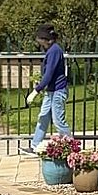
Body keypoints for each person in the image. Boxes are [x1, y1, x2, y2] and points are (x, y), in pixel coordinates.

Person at [27, 24, 70, 152]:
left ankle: (72, 148)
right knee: (43, 117)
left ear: (47, 39)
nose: (40, 43)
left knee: (58, 121)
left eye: (41, 40)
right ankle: (35, 146)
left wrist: (35, 91)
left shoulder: (54, 51)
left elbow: (49, 75)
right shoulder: (51, 50)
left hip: (58, 91)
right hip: (51, 91)